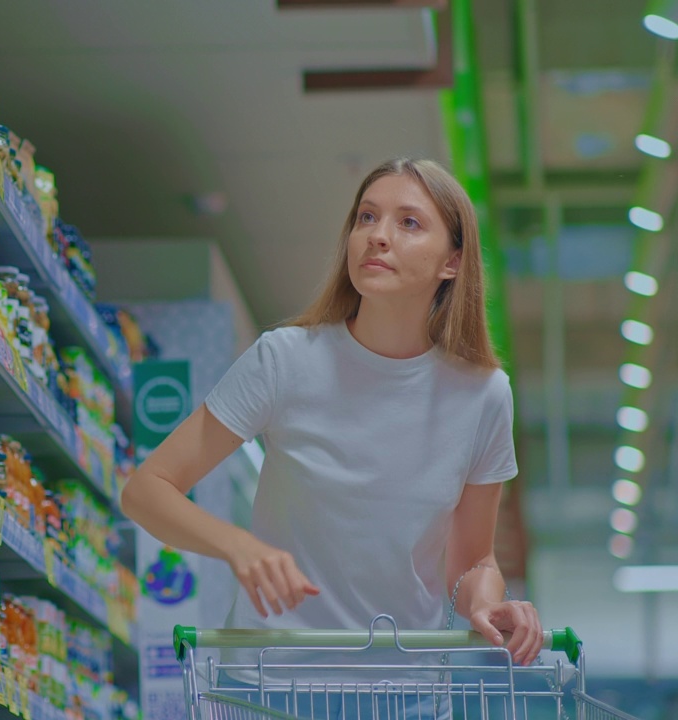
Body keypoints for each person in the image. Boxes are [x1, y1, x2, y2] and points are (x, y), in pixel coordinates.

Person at [121, 158, 542, 717]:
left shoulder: (484, 394)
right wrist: (239, 547)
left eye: (409, 222)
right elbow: (146, 488)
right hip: (269, 687)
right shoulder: (285, 360)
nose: (378, 236)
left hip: (407, 695)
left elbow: (471, 562)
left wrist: (491, 603)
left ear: (453, 262)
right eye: (367, 217)